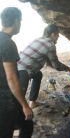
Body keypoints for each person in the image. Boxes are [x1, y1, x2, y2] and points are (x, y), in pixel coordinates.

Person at [17, 24, 70, 108]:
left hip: (16, 64)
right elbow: (56, 65)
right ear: (53, 34)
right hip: (23, 71)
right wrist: (68, 69)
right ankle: (20, 114)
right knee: (19, 96)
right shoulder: (50, 45)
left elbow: (49, 62)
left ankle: (32, 102)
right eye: (58, 34)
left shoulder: (38, 39)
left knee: (38, 75)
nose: (58, 37)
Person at [0, 7, 33, 138]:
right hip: (5, 99)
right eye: (20, 21)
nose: (20, 24)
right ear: (16, 20)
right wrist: (25, 105)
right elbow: (12, 78)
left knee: (27, 124)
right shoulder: (8, 44)